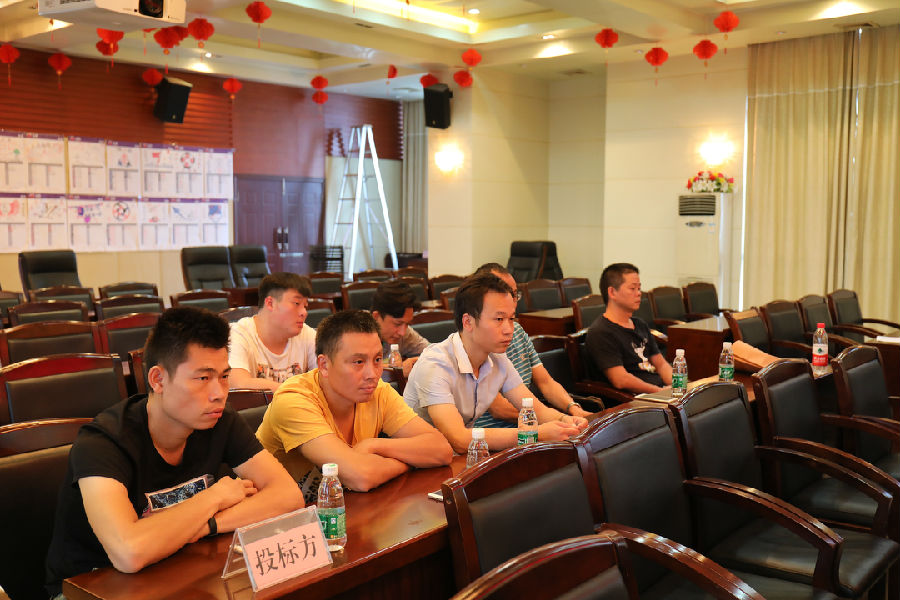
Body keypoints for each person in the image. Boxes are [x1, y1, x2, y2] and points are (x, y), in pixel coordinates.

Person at [45, 307, 302, 596]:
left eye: (224, 376)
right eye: (203, 378)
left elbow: (288, 495)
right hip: (90, 586)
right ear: (158, 380)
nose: (219, 393)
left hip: (176, 567)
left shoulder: (219, 420)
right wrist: (215, 497)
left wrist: (208, 524)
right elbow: (129, 552)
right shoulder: (103, 442)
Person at [256, 310, 452, 505]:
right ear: (324, 365)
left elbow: (441, 449)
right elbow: (361, 476)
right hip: (276, 518)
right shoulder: (294, 399)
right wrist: (410, 462)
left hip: (346, 510)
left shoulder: (377, 391)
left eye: (377, 360)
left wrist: (375, 446)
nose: (372, 374)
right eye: (358, 362)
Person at [403, 273, 587, 453]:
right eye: (499, 319)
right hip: (418, 459)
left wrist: (567, 420)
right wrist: (535, 434)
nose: (509, 330)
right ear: (468, 322)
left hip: (462, 455)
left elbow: (536, 410)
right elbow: (458, 439)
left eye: (511, 319)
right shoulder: (435, 364)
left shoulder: (497, 359)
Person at [470, 263, 594, 428]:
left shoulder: (517, 331)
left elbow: (545, 382)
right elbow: (500, 410)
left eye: (514, 294)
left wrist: (573, 409)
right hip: (492, 436)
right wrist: (555, 420)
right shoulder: (474, 347)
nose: (511, 301)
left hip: (529, 428)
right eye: (504, 293)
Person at [586, 263, 673, 394]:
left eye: (639, 288)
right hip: (636, 399)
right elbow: (620, 380)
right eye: (632, 288)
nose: (638, 293)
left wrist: (679, 387)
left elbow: (661, 364)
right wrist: (659, 392)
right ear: (612, 292)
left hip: (660, 392)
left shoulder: (640, 324)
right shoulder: (601, 332)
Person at [228, 272, 317, 391]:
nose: (304, 313)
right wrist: (294, 392)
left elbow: (327, 381)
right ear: (270, 303)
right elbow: (237, 383)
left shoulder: (307, 335)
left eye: (305, 306)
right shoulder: (239, 334)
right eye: (296, 304)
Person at [370, 279, 429, 378]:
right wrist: (397, 370)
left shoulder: (405, 333)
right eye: (397, 324)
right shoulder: (356, 334)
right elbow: (352, 372)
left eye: (407, 324)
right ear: (376, 317)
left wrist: (419, 360)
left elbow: (433, 351)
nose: (402, 332)